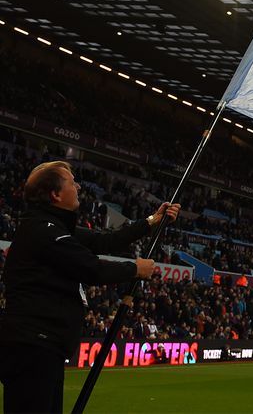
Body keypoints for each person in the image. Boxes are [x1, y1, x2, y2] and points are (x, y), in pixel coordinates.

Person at [0, 161, 180, 413]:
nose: (78, 186)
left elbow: (104, 241)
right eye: (72, 182)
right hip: (32, 347)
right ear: (55, 194)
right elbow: (90, 267)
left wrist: (152, 221)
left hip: (43, 347)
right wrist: (135, 269)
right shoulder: (44, 231)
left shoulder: (54, 226)